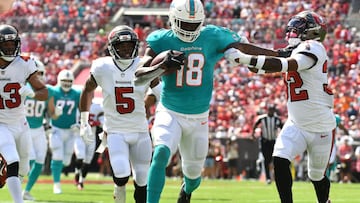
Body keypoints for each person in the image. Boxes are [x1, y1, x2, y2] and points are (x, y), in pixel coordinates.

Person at [134, 1, 248, 202]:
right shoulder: (161, 39)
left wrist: (275, 56)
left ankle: (186, 190)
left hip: (199, 117)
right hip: (170, 110)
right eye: (184, 23)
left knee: (194, 175)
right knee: (160, 153)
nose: (188, 28)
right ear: (173, 20)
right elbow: (139, 75)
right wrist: (160, 67)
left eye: (193, 24)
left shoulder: (212, 35)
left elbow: (244, 46)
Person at [225, 11, 335, 203]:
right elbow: (270, 61)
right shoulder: (298, 48)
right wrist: (245, 50)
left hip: (320, 126)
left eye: (298, 28)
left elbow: (287, 64)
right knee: (280, 159)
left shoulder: (314, 47)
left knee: (316, 176)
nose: (292, 32)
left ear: (312, 32)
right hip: (296, 123)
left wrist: (244, 58)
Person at [79, 25, 163, 203]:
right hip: (116, 130)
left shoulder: (143, 64)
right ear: (112, 48)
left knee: (142, 180)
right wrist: (84, 121)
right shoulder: (103, 67)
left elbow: (161, 93)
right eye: (121, 46)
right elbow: (87, 90)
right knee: (122, 173)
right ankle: (119, 193)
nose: (126, 49)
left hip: (140, 130)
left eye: (129, 45)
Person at [0, 24, 48, 203]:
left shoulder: (25, 63)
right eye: (6, 45)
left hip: (20, 122)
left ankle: (5, 174)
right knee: (13, 160)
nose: (10, 48)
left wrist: (33, 93)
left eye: (13, 44)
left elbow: (44, 93)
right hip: (1, 124)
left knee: (24, 167)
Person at [47, 69, 81, 194]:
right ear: (59, 81)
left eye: (69, 81)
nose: (66, 83)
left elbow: (82, 109)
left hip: (70, 130)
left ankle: (57, 173)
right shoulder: (53, 91)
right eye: (64, 81)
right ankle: (56, 184)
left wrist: (80, 123)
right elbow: (46, 108)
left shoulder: (77, 93)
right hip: (56, 128)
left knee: (66, 160)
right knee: (57, 155)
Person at [22, 59, 52, 201]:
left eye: (40, 73)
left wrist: (55, 113)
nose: (38, 76)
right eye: (36, 73)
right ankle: (16, 180)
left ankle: (26, 191)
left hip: (39, 129)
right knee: (30, 161)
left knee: (40, 161)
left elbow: (51, 113)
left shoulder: (47, 91)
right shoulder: (22, 87)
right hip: (25, 128)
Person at [73, 96, 104, 190]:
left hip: (91, 137)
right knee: (80, 156)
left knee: (87, 161)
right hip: (79, 136)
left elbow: (103, 121)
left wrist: (99, 123)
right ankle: (77, 172)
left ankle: (81, 181)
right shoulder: (76, 106)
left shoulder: (97, 107)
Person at [251, 105, 283, 184]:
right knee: (266, 160)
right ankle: (268, 178)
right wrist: (253, 134)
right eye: (270, 110)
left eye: (272, 110)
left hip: (273, 141)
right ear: (267, 110)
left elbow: (282, 128)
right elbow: (255, 125)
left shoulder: (277, 119)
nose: (271, 112)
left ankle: (275, 177)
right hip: (265, 141)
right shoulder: (262, 118)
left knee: (275, 159)